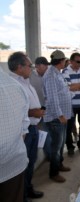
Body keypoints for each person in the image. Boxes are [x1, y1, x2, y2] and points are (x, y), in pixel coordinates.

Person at [8, 52, 44, 201]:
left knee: (31, 162)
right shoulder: (12, 85)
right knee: (23, 165)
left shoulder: (25, 82)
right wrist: (33, 112)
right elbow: (14, 112)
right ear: (19, 67)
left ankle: (28, 190)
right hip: (25, 131)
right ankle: (22, 196)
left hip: (33, 128)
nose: (33, 69)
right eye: (30, 66)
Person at [43, 50, 72, 183]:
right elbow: (53, 99)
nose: (66, 62)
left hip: (62, 116)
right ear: (61, 61)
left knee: (60, 144)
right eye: (65, 60)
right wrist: (60, 115)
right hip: (56, 118)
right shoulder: (50, 76)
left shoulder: (57, 73)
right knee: (56, 146)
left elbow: (62, 91)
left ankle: (59, 164)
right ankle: (53, 173)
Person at [0, 67, 29, 202]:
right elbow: (23, 129)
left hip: (14, 165)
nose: (32, 69)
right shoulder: (15, 85)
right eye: (29, 66)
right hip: (14, 164)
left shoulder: (17, 85)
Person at [62, 52, 80, 156]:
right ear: (71, 61)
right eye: (78, 61)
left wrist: (76, 86)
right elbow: (68, 87)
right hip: (70, 104)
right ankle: (70, 147)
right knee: (69, 127)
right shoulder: (65, 71)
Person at [29, 56, 51, 160]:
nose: (47, 68)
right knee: (41, 134)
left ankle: (49, 156)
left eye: (47, 66)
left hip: (46, 108)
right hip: (34, 111)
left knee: (47, 134)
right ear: (37, 66)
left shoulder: (49, 75)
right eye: (44, 66)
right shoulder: (30, 76)